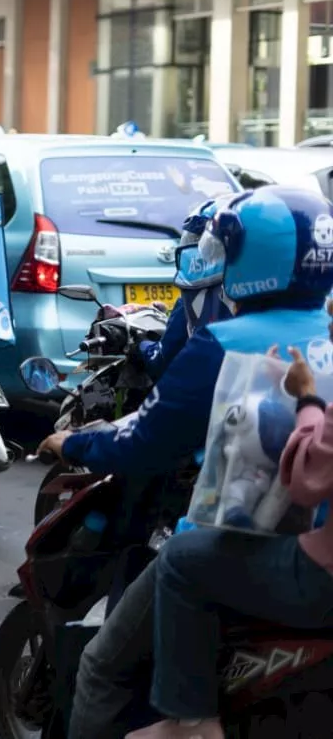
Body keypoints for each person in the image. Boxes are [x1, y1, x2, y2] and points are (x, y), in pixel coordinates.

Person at [60, 187, 333, 739]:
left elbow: (144, 442)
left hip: (277, 552)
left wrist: (70, 444)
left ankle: (189, 717)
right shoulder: (325, 333)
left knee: (100, 668)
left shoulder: (221, 342)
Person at [128, 338, 333, 739]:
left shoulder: (211, 340)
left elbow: (308, 474)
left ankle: (193, 719)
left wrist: (306, 399)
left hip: (320, 577)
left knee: (181, 559)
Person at [133, 197, 234, 381]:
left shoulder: (196, 298)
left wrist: (141, 344)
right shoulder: (272, 295)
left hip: (216, 395)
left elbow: (161, 359)